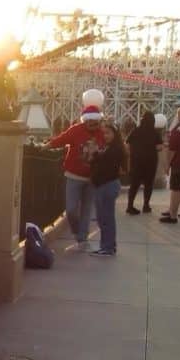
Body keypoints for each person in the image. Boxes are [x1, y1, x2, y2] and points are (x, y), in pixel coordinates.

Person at [45, 89, 106, 248]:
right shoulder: (76, 130)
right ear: (85, 121)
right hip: (74, 175)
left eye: (97, 122)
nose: (95, 125)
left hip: (93, 178)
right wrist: (47, 146)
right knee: (71, 209)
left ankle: (82, 238)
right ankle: (78, 231)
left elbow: (112, 149)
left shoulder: (103, 133)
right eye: (91, 122)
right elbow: (61, 139)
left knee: (86, 210)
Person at [89, 123, 126, 256]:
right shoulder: (108, 148)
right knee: (103, 218)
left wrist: (95, 155)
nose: (105, 136)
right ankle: (108, 245)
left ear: (115, 134)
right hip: (103, 185)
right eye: (104, 133)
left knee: (106, 218)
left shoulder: (115, 149)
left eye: (108, 133)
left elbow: (105, 165)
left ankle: (107, 247)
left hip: (107, 185)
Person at [125, 110, 162, 214]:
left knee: (134, 184)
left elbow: (127, 144)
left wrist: (133, 152)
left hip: (136, 161)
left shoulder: (136, 130)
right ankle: (146, 205)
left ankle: (130, 205)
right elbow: (159, 146)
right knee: (148, 184)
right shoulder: (155, 132)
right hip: (150, 162)